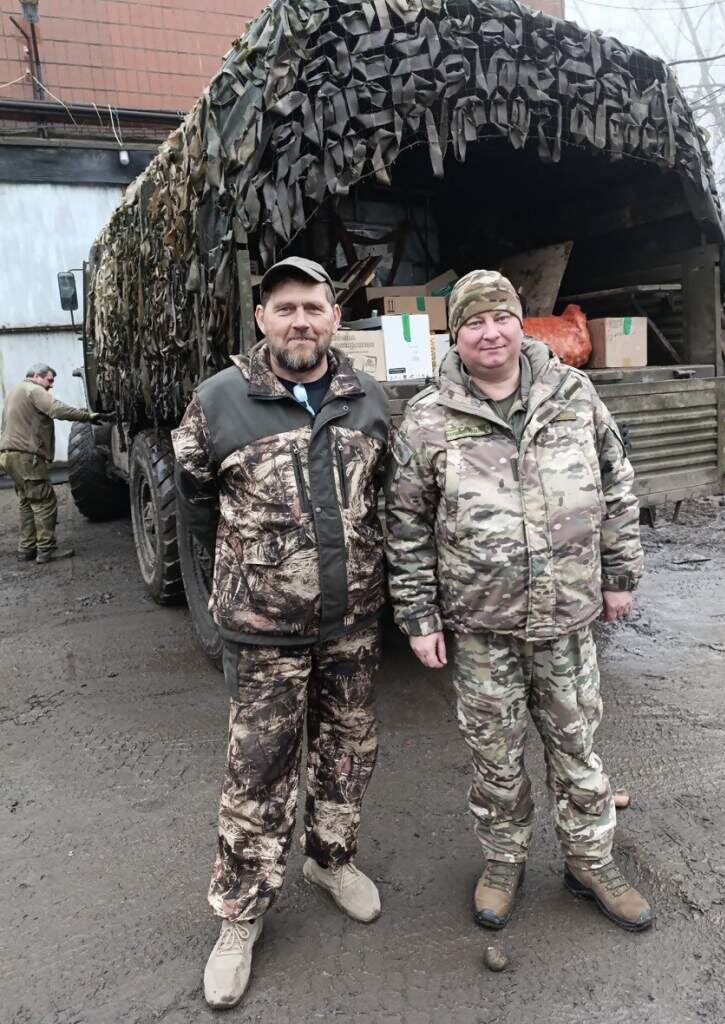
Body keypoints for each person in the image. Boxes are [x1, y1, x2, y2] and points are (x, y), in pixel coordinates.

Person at [384, 269, 653, 933]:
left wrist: (620, 577)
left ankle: (590, 860)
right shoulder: (428, 417)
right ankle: (503, 862)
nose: (490, 332)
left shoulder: (574, 393)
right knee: (495, 759)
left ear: (518, 322)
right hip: (482, 627)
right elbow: (405, 525)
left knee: (578, 748)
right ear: (457, 333)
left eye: (500, 318)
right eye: (474, 321)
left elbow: (617, 489)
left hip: (565, 619)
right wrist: (419, 618)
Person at [172, 256, 390, 1010]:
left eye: (314, 307)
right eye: (285, 307)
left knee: (346, 754)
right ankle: (240, 916)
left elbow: (389, 505)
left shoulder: (369, 401)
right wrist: (230, 600)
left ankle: (332, 861)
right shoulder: (219, 401)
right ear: (261, 319)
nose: (301, 320)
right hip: (264, 635)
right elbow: (195, 510)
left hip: (354, 628)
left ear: (335, 318)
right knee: (256, 775)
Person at [0, 363, 106, 563]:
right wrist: (88, 416)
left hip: (8, 455)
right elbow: (56, 409)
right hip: (26, 456)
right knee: (44, 501)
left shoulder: (14, 391)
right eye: (49, 380)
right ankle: (46, 550)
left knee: (26, 501)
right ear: (37, 376)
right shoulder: (33, 389)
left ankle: (27, 549)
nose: (50, 386)